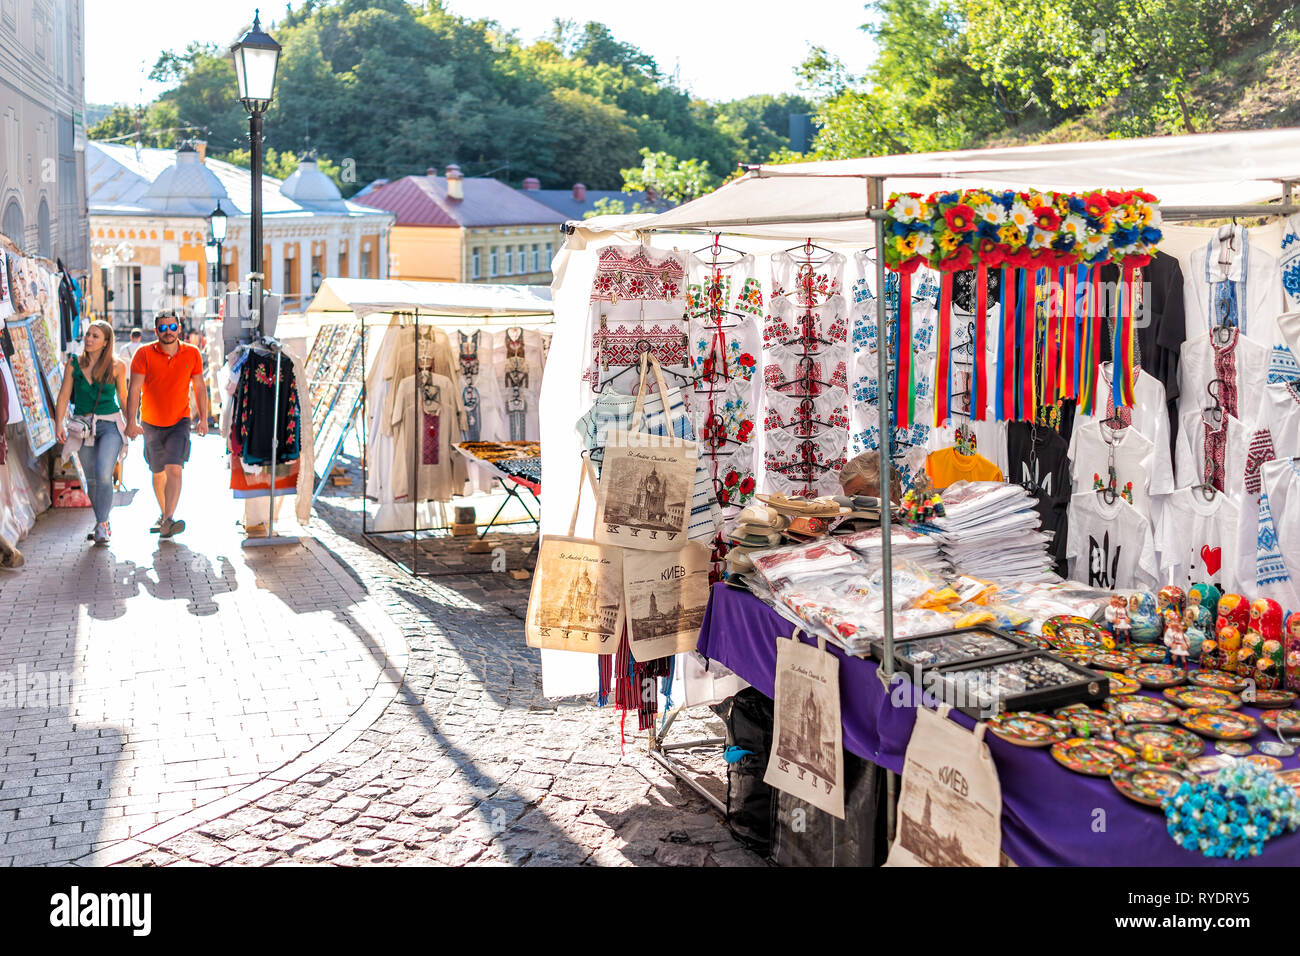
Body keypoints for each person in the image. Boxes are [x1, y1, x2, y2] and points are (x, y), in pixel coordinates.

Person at [125, 311, 208, 538]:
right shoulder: (143, 354)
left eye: (172, 327)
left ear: (179, 329)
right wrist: (131, 422)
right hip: (150, 423)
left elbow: (199, 388)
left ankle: (169, 519)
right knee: (157, 471)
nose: (168, 332)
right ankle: (164, 517)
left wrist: (203, 418)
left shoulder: (192, 353)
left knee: (174, 468)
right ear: (156, 331)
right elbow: (134, 391)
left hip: (180, 421)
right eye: (163, 328)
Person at [53, 319, 129, 546]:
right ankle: (101, 522)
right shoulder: (73, 365)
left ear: (106, 342)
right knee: (92, 479)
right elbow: (64, 397)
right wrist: (58, 424)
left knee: (104, 473)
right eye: (88, 334)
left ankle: (102, 524)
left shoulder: (116, 366)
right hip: (82, 428)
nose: (89, 339)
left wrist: (132, 423)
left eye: (95, 336)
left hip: (110, 425)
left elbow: (123, 398)